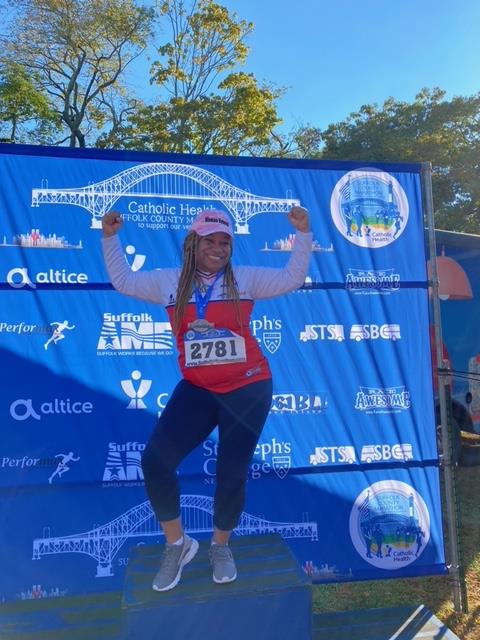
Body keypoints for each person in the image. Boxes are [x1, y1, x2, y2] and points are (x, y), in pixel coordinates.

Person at [101, 205, 311, 592]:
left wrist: (302, 235)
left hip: (248, 388)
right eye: (210, 240)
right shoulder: (169, 282)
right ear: (193, 242)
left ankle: (220, 546)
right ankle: (178, 544)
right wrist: (110, 238)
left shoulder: (244, 279)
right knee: (155, 461)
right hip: (198, 389)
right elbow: (124, 281)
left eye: (225, 242)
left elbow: (291, 278)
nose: (218, 248)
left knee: (232, 472)